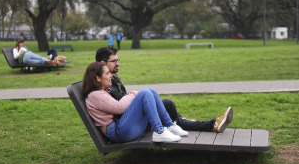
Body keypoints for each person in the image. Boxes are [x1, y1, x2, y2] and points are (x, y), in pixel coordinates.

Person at [95, 47, 233, 133]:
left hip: (133, 118)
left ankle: (186, 121)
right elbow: (119, 108)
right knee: (171, 116)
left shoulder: (113, 79)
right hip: (131, 124)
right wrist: (135, 95)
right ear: (102, 64)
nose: (118, 63)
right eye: (114, 61)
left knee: (168, 104)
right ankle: (213, 124)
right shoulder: (104, 85)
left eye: (118, 60)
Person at [82, 62, 189, 143]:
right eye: (107, 73)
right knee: (144, 93)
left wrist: (131, 95)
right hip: (117, 132)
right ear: (98, 78)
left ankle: (169, 126)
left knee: (150, 91)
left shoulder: (100, 92)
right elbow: (118, 107)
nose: (111, 76)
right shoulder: (95, 95)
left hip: (120, 128)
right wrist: (132, 94)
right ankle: (159, 132)